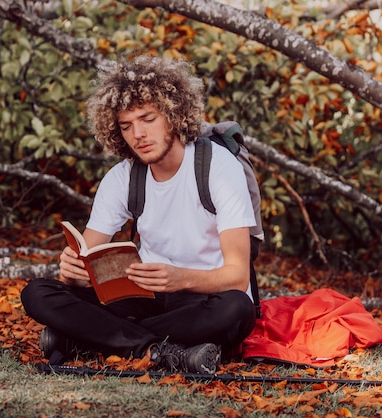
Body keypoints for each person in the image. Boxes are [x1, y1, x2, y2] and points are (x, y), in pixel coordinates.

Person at [21, 55, 257, 374]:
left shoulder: (217, 166)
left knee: (237, 308)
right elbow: (87, 256)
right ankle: (158, 350)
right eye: (126, 126)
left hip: (201, 298)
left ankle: (101, 339)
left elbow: (237, 276)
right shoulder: (123, 177)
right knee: (38, 293)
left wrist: (179, 278)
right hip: (144, 298)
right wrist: (73, 271)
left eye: (148, 119)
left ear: (173, 114)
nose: (138, 135)